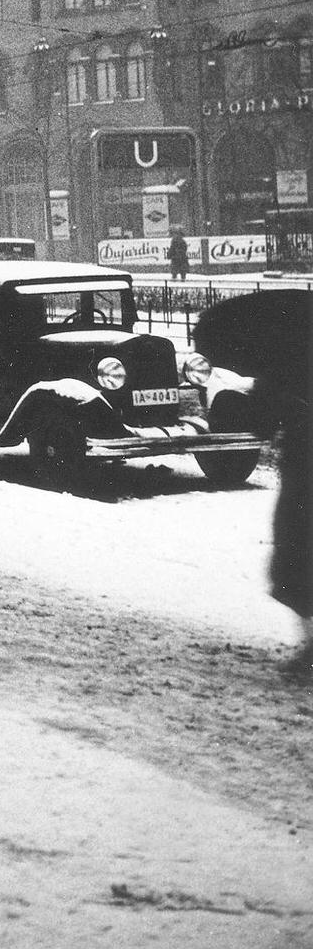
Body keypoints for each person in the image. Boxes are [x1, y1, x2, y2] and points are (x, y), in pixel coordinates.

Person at [193, 291, 311, 680]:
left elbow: (259, 420)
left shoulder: (281, 367)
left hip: (305, 478)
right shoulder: (291, 342)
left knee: (299, 550)